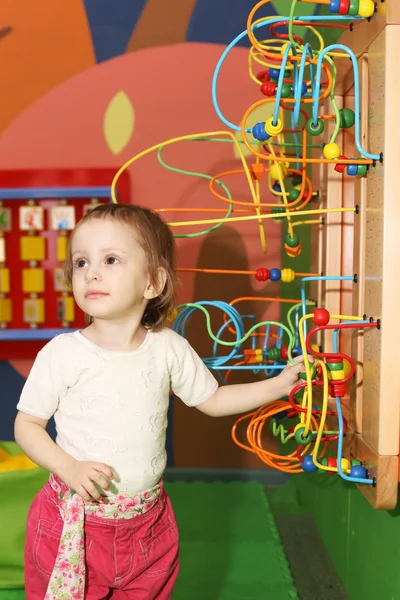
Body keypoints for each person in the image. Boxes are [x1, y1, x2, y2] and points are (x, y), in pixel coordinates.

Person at [14, 203, 309, 600]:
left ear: (152, 283)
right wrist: (68, 466)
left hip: (146, 524)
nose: (91, 273)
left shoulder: (168, 348)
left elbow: (214, 398)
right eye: (81, 262)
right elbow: (27, 425)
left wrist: (278, 385)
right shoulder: (64, 353)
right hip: (75, 522)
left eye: (111, 259)